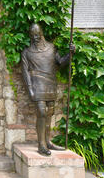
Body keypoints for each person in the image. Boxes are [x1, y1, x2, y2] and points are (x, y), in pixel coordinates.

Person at [21, 23, 75, 156]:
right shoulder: (27, 53)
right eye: (33, 35)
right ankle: (41, 145)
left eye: (37, 34)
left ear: (41, 33)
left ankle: (47, 141)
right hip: (37, 85)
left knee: (49, 115)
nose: (35, 37)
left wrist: (70, 54)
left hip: (50, 84)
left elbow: (60, 63)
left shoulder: (51, 48)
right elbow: (25, 73)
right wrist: (30, 90)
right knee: (41, 112)